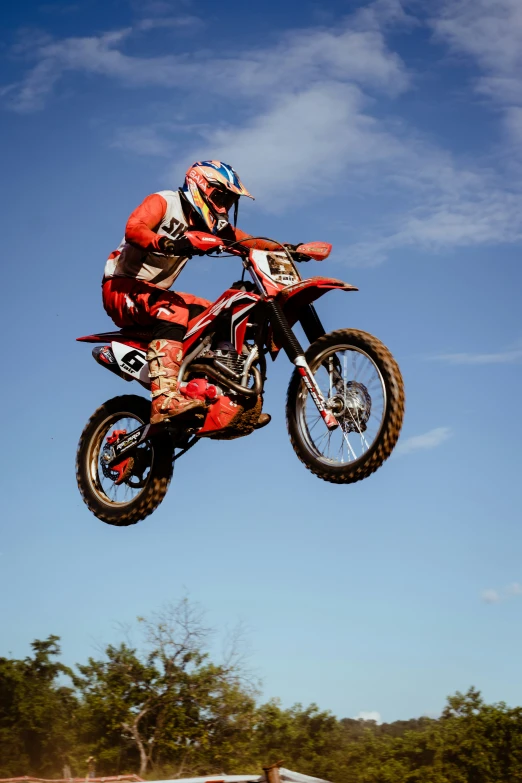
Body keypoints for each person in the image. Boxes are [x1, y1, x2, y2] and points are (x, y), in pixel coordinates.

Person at [102, 161, 283, 426]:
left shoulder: (208, 224)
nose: (223, 207)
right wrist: (166, 242)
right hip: (121, 287)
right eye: (220, 197)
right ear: (200, 186)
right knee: (173, 308)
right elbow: (134, 228)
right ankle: (164, 399)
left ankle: (221, 391)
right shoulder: (164, 201)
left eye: (229, 202)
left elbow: (248, 242)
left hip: (155, 294)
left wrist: (288, 249)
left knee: (220, 312)